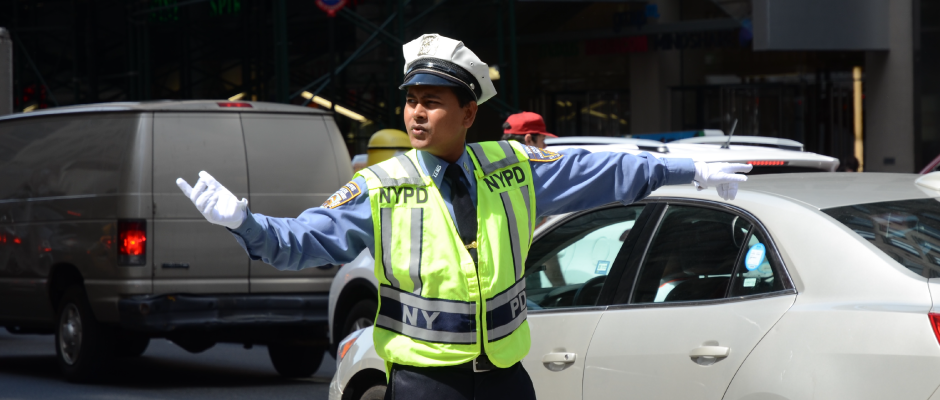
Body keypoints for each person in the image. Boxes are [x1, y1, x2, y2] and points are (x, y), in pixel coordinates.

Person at [175, 33, 751, 400]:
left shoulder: (512, 165)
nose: (417, 113)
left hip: (505, 378)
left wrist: (686, 170)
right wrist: (245, 225)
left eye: (432, 102)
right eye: (410, 101)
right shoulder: (382, 184)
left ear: (469, 112)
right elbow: (302, 243)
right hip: (425, 384)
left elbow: (597, 172)